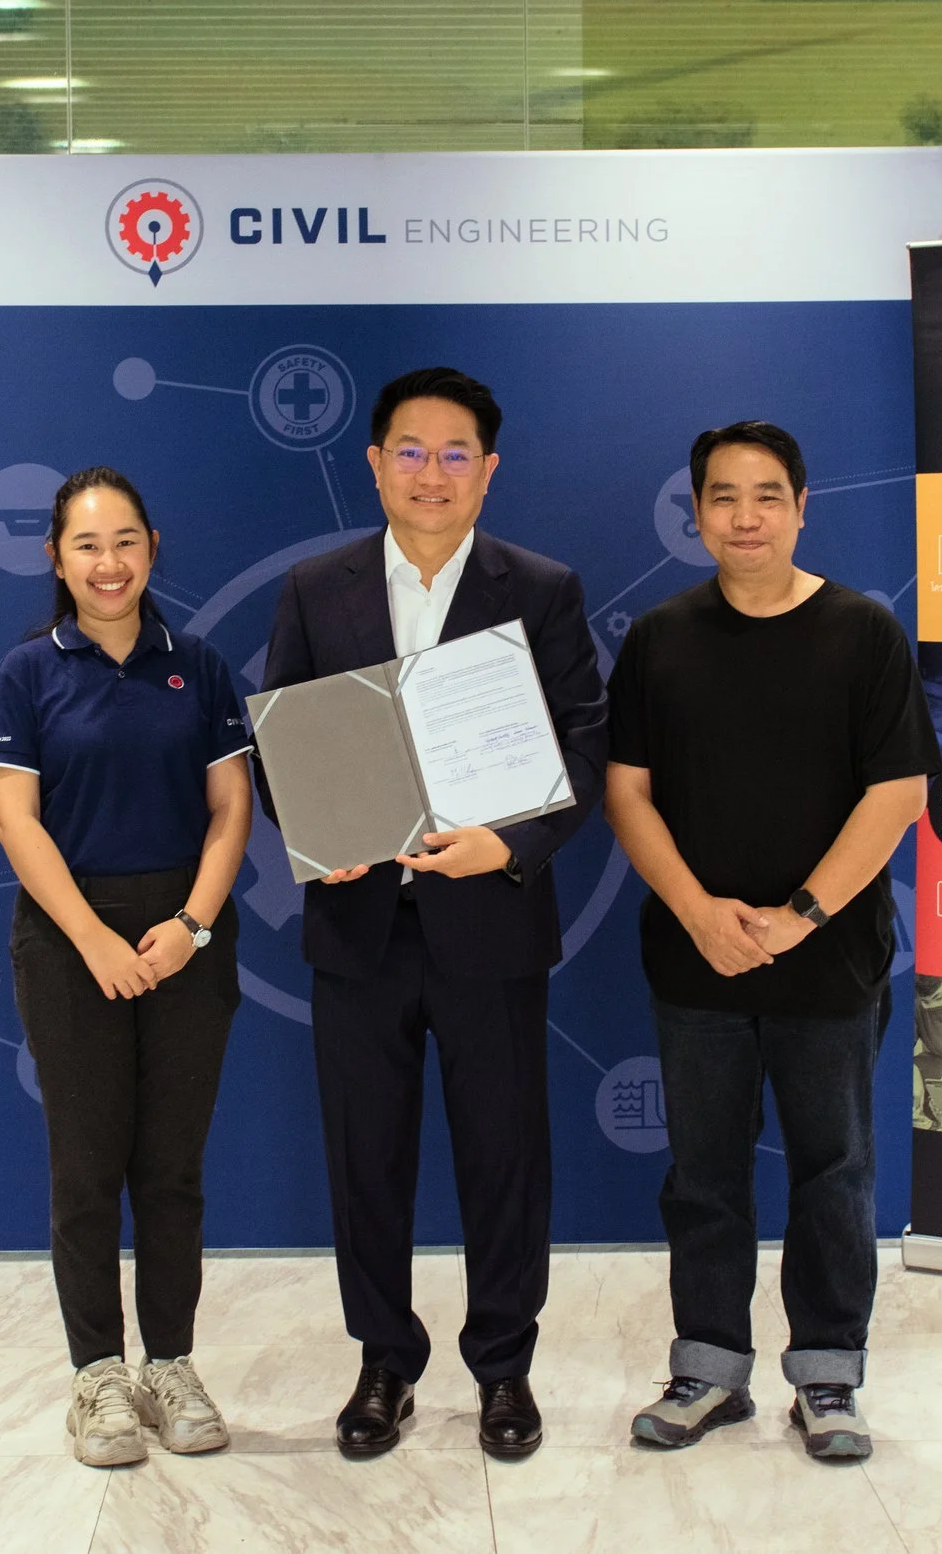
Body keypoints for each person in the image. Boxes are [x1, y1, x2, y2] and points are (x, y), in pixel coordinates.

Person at [259, 367, 606, 1461]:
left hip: (490, 919)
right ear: (373, 463)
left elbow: (585, 745)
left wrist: (510, 844)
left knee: (504, 1154)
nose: (432, 473)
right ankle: (383, 1361)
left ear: (488, 470)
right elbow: (281, 748)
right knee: (365, 1156)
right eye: (409, 450)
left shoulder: (539, 588)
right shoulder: (315, 589)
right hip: (358, 925)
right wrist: (321, 830)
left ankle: (504, 1365)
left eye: (457, 453)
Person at [604, 421, 938, 1463]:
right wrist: (701, 912)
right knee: (703, 1171)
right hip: (696, 959)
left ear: (801, 507)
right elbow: (627, 791)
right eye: (722, 496)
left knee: (833, 1170)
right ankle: (708, 1367)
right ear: (696, 512)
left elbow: (897, 792)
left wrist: (798, 915)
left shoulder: (863, 631)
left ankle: (828, 1373)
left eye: (765, 496)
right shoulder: (659, 637)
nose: (744, 517)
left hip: (829, 959)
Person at [0, 465, 255, 1469]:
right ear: (56, 558)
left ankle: (170, 1363)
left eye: (126, 541)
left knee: (172, 1168)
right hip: (69, 941)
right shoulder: (27, 671)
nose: (110, 562)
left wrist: (190, 923)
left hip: (184, 936)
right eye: (87, 545)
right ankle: (97, 1373)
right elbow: (14, 817)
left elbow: (231, 808)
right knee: (87, 1166)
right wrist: (93, 937)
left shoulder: (201, 666)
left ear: (153, 548)